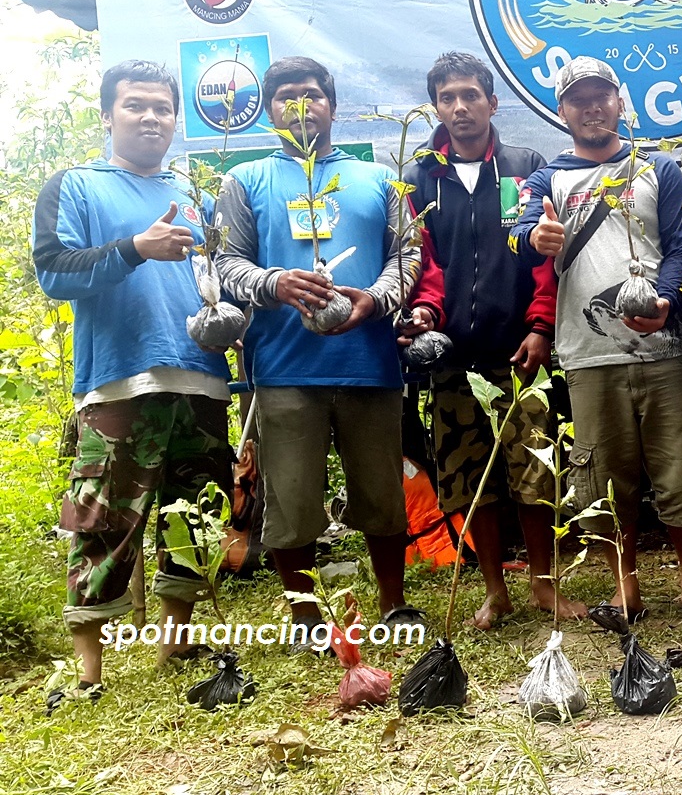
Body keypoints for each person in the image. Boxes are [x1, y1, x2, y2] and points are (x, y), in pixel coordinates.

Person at [33, 61, 235, 706]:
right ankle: (89, 669)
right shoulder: (75, 186)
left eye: (161, 108)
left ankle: (176, 637)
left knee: (193, 517)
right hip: (119, 381)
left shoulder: (198, 192)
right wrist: (133, 249)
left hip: (200, 379)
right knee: (100, 518)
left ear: (177, 118)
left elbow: (220, 278)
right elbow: (54, 272)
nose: (151, 117)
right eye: (135, 106)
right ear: (108, 115)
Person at [215, 56, 419, 647]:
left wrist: (375, 301)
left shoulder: (379, 178)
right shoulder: (243, 181)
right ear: (269, 109)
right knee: (292, 499)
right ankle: (305, 616)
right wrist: (274, 284)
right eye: (285, 97)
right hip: (282, 368)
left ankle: (394, 602)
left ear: (332, 106)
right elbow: (226, 264)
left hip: (369, 365)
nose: (300, 107)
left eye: (311, 95)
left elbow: (406, 258)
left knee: (380, 493)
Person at [510, 56, 682, 621]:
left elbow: (680, 246)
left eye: (601, 96)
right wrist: (537, 234)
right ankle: (623, 581)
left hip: (661, 347)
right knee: (602, 474)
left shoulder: (659, 167)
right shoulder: (545, 177)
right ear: (562, 111)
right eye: (579, 99)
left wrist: (667, 300)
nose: (592, 107)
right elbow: (517, 230)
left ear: (620, 102)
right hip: (586, 353)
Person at [397, 51, 579, 628]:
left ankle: (545, 588)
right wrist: (426, 311)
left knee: (535, 471)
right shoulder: (420, 175)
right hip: (452, 356)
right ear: (436, 107)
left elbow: (543, 261)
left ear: (492, 103)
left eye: (470, 95)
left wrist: (541, 326)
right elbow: (420, 258)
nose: (460, 107)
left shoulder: (527, 168)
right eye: (447, 97)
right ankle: (496, 588)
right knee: (466, 475)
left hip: (519, 351)